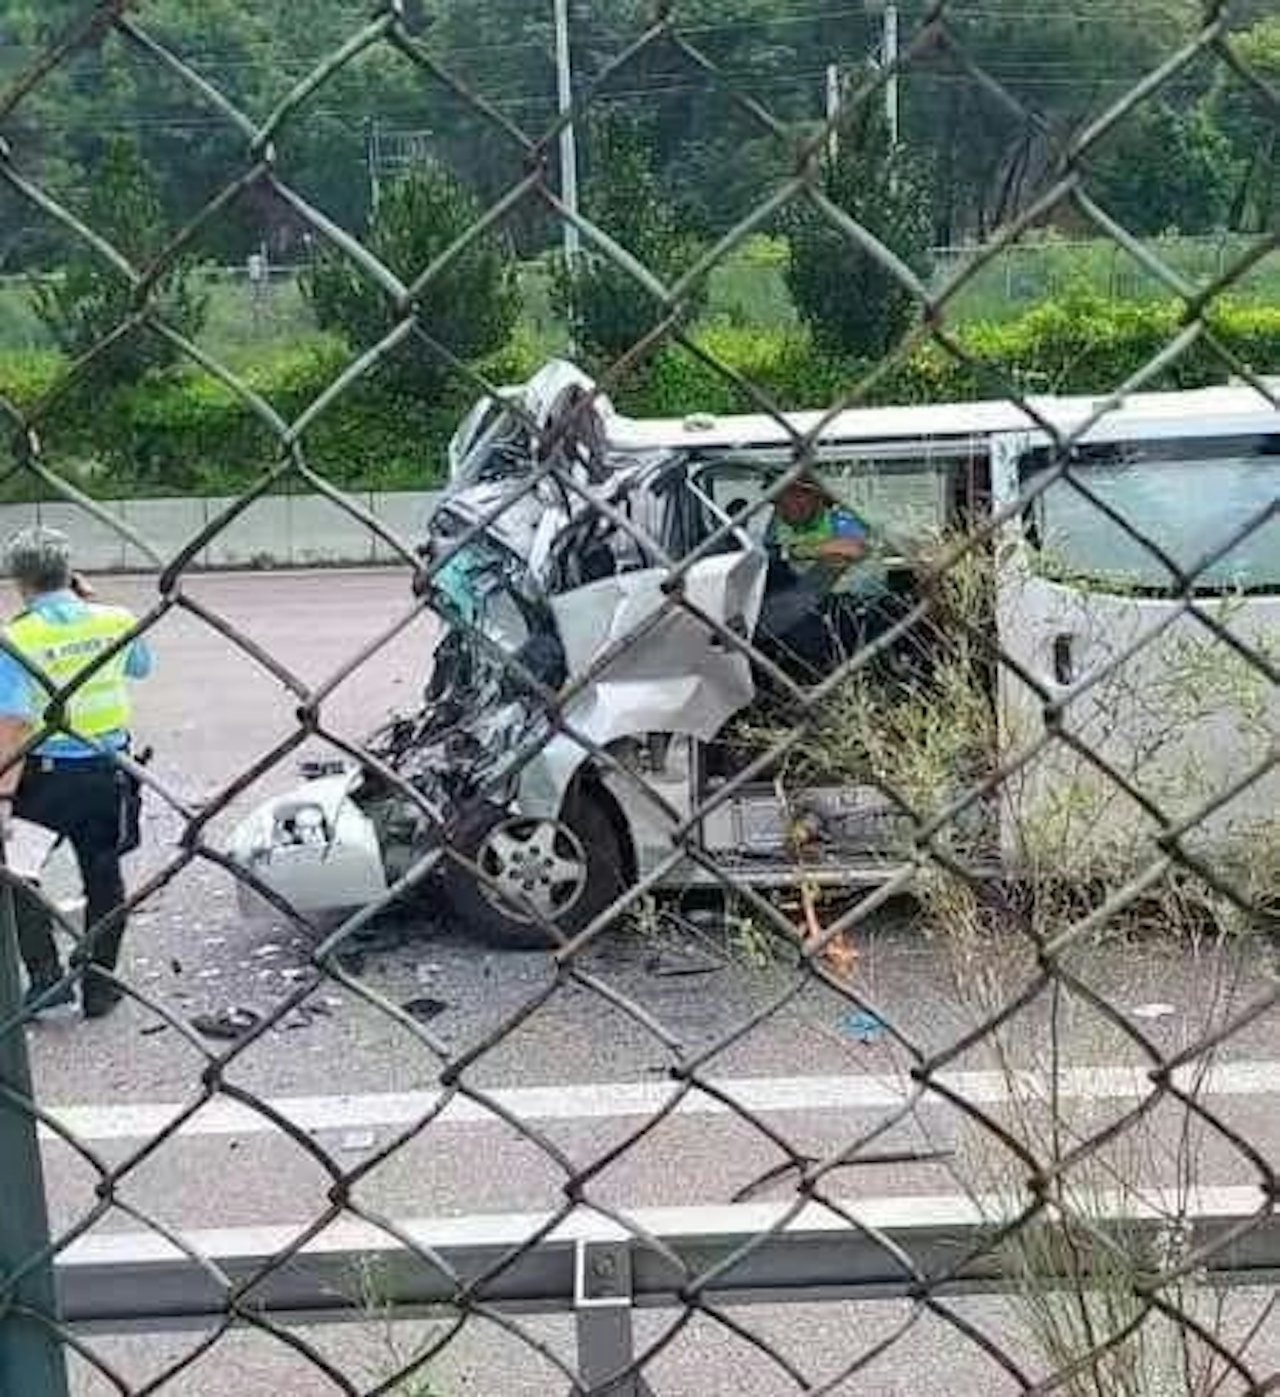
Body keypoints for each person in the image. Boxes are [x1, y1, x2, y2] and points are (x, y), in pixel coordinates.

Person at [0, 527, 152, 1019]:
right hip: (110, 771)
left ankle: (46, 979)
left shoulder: (15, 638)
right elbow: (140, 667)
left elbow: (14, 723)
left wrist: (3, 795)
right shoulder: (115, 620)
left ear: (18, 580)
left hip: (45, 778)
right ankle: (99, 985)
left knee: (19, 873)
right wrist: (93, 606)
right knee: (104, 875)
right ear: (71, 571)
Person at [757, 473, 874, 676]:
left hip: (849, 606)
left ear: (816, 496)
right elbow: (767, 552)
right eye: (778, 499)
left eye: (797, 495)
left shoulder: (840, 516)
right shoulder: (776, 521)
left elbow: (853, 548)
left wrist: (796, 551)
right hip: (795, 605)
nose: (786, 505)